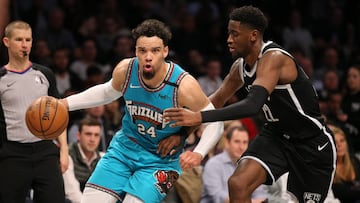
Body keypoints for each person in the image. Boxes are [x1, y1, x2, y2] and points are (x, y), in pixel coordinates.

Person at [164, 6, 336, 203]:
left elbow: (252, 105)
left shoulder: (274, 58)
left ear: (253, 35)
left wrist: (200, 117)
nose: (229, 39)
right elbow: (215, 101)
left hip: (311, 144)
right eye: (229, 33)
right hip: (276, 136)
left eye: (235, 34)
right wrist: (182, 134)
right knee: (238, 184)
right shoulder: (239, 67)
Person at [60, 19, 223, 203]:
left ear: (165, 52)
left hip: (162, 161)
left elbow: (215, 120)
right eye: (142, 50)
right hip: (124, 149)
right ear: (136, 51)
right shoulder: (126, 70)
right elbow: (107, 92)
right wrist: (65, 103)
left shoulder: (183, 85)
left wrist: (199, 152)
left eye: (155, 50)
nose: (148, 56)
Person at [0, 20, 68, 203]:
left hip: (45, 151)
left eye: (28, 40)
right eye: (19, 39)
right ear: (7, 42)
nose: (25, 45)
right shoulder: (1, 79)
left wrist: (64, 151)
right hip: (12, 154)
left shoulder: (45, 74)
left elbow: (59, 113)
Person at [201, 126, 268, 203]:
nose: (241, 147)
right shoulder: (213, 164)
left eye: (245, 142)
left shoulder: (251, 165)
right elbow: (217, 196)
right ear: (227, 143)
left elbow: (260, 194)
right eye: (237, 141)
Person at [329, 124, 360, 203]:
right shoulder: (327, 168)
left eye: (342, 140)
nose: (339, 145)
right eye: (335, 142)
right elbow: (340, 193)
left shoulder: (354, 161)